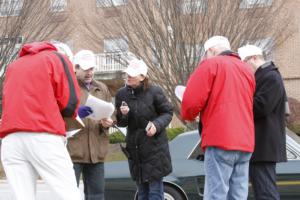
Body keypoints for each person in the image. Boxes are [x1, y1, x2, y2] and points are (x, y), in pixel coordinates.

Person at [0, 41, 83, 200]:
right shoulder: (58, 58)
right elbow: (70, 103)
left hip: (11, 139)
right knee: (67, 193)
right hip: (43, 135)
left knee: (21, 196)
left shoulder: (14, 65)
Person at [181, 36, 256, 200]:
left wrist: (188, 115)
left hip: (220, 139)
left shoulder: (210, 64)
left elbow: (191, 101)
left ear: (211, 50)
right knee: (238, 195)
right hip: (245, 142)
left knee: (216, 194)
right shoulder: (247, 70)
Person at [115, 58, 173, 200]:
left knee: (154, 193)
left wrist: (156, 125)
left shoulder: (155, 91)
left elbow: (168, 113)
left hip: (155, 148)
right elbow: (121, 123)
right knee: (142, 194)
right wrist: (124, 115)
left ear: (142, 77)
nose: (128, 77)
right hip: (135, 150)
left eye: (132, 74)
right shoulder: (121, 94)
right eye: (127, 73)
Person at [238, 44, 287, 200]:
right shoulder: (266, 76)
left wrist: (238, 101)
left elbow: (260, 107)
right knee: (262, 191)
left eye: (243, 62)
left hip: (264, 145)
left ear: (253, 58)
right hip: (262, 145)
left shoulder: (270, 77)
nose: (243, 68)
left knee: (266, 192)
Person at [67, 49, 114, 200]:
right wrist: (76, 115)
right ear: (76, 68)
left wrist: (108, 123)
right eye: (86, 69)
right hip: (72, 152)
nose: (89, 73)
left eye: (92, 69)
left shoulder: (102, 88)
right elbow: (57, 117)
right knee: (68, 195)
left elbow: (111, 113)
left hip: (97, 153)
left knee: (97, 196)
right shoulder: (67, 88)